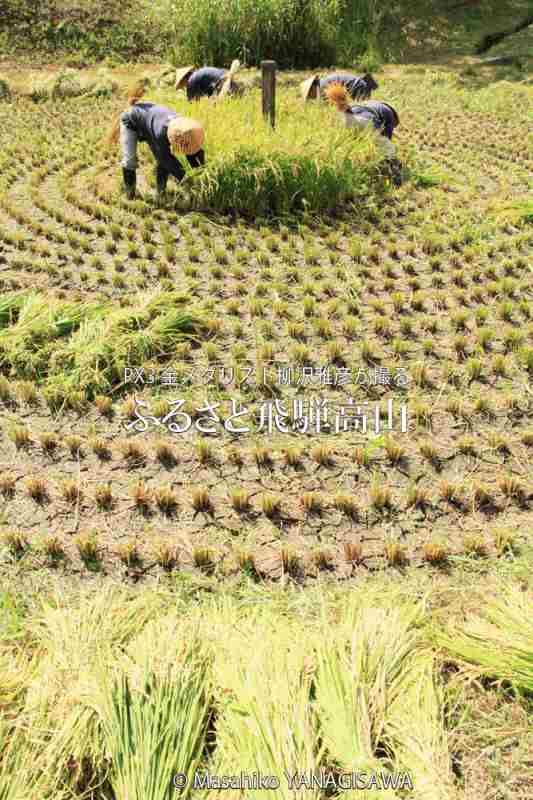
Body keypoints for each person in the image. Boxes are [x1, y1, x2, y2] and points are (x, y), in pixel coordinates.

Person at [107, 84, 205, 199]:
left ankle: (160, 193)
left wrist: (201, 176)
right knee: (130, 160)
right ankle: (130, 194)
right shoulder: (160, 133)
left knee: (163, 161)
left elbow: (195, 154)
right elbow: (165, 160)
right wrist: (186, 181)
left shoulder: (185, 130)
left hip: (151, 119)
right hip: (131, 121)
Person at [325, 82, 403, 187]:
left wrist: (391, 159)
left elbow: (385, 144)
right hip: (369, 107)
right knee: (375, 146)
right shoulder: (342, 119)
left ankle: (395, 170)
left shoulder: (366, 124)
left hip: (386, 112)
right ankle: (383, 164)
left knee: (385, 148)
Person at [175, 61, 243, 101]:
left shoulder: (191, 81)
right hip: (231, 82)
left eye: (182, 85)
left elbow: (192, 103)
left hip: (224, 85)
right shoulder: (199, 76)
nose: (184, 87)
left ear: (184, 79)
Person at [301, 72, 378, 102]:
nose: (313, 98)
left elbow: (331, 104)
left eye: (310, 96)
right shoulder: (323, 82)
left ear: (312, 88)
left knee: (362, 113)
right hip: (360, 85)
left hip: (357, 87)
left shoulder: (323, 88)